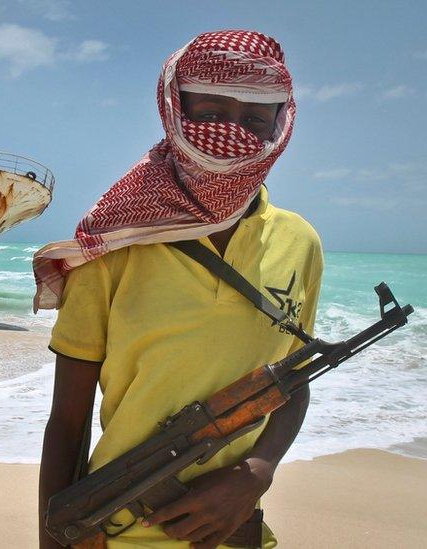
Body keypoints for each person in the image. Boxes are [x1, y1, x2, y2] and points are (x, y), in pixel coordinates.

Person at [35, 30, 323, 549]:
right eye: (211, 112)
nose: (231, 134)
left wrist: (256, 472)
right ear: (175, 110)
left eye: (255, 120)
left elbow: (293, 378)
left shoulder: (299, 242)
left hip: (236, 532)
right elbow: (67, 423)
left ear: (279, 126)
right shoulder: (114, 244)